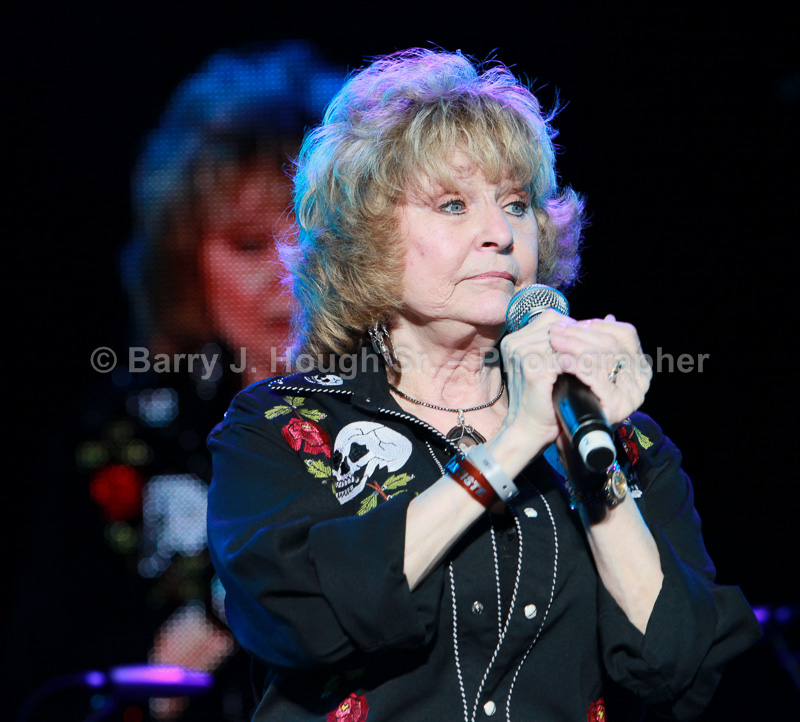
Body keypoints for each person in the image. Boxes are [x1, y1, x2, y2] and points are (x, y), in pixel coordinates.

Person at [206, 48, 760, 721]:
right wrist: (513, 442)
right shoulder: (285, 427)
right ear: (367, 238)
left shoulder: (617, 441)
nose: (500, 233)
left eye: (517, 205)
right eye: (453, 205)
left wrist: (591, 463)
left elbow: (678, 669)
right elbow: (304, 618)